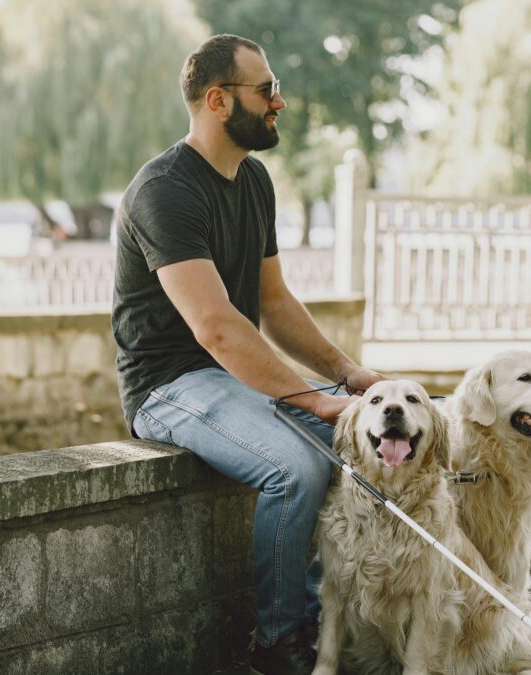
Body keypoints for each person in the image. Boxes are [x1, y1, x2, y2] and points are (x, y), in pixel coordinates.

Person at [111, 34, 384, 675]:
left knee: (360, 441)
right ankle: (281, 645)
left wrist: (348, 374)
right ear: (216, 99)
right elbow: (215, 327)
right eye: (266, 91)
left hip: (226, 377)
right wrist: (311, 398)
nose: (279, 102)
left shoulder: (254, 179)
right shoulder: (164, 191)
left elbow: (275, 304)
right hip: (169, 384)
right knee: (295, 469)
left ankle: (338, 626)